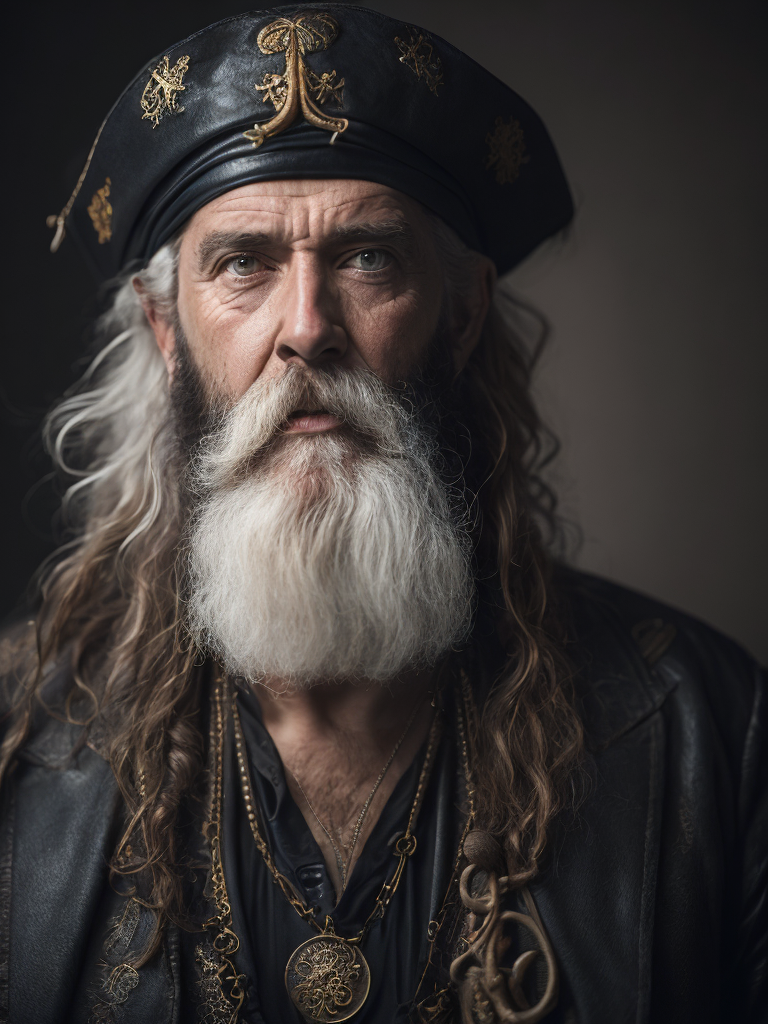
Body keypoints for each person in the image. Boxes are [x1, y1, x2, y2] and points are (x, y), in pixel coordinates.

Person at [0, 6, 764, 1023]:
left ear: (462, 311)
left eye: (368, 258)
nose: (307, 327)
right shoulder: (15, 750)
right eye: (242, 263)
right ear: (165, 330)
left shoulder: (715, 733)